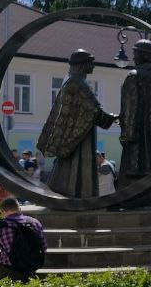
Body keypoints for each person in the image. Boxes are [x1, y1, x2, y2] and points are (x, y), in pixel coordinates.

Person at [37, 49, 117, 199]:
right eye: (91, 63)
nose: (93, 66)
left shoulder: (73, 81)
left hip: (79, 132)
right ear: (82, 65)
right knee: (78, 162)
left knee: (72, 163)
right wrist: (111, 117)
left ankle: (72, 190)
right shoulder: (78, 83)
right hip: (80, 136)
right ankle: (78, 192)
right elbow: (92, 109)